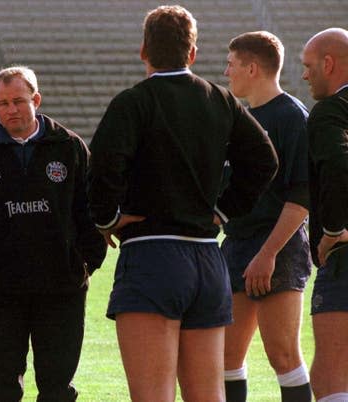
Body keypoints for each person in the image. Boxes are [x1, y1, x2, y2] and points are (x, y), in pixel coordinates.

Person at [88, 6, 279, 402]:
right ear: (192, 53)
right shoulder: (221, 99)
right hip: (209, 262)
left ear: (143, 51)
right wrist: (223, 210)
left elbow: (102, 170)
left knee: (153, 396)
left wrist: (108, 218)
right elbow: (265, 160)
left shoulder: (132, 102)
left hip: (151, 255)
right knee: (208, 396)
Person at [0, 66, 106, 401]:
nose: (10, 109)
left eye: (18, 101)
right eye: (2, 103)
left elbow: (94, 207)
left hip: (61, 289)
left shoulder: (69, 147)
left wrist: (88, 262)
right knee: (1, 390)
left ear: (36, 99)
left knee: (57, 389)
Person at [220, 31, 312, 402]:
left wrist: (268, 253)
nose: (226, 72)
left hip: (279, 249)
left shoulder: (292, 117)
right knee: (225, 357)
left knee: (283, 354)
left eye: (231, 64)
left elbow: (302, 196)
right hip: (237, 247)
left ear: (252, 68)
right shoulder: (236, 120)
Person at [302, 27, 348, 402]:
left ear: (329, 64)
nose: (304, 75)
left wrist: (334, 230)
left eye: (309, 66)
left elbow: (337, 166)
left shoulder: (331, 111)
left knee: (330, 374)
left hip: (343, 258)